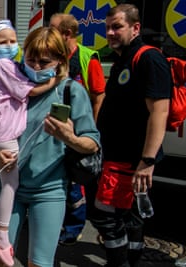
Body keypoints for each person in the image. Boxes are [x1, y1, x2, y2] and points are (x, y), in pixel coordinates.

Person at [0, 26, 100, 267]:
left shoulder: (70, 91)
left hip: (48, 190)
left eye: (44, 62)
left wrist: (70, 137)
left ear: (60, 60)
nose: (36, 66)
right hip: (6, 185)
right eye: (31, 59)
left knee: (39, 262)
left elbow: (92, 144)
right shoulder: (9, 80)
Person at [0, 20, 55, 266]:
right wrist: (55, 80)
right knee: (10, 182)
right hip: (4, 132)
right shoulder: (3, 65)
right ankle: (1, 234)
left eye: (12, 41)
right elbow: (29, 91)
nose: (9, 46)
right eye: (1, 42)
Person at [90, 4, 171, 267]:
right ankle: (132, 260)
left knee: (106, 216)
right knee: (129, 215)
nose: (110, 33)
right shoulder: (124, 58)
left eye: (117, 27)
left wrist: (147, 161)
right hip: (119, 156)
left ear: (135, 28)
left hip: (130, 158)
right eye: (108, 28)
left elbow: (159, 111)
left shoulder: (148, 58)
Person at [50, 13, 106, 245]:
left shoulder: (86, 57)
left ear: (67, 34)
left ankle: (73, 228)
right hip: (55, 130)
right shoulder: (54, 55)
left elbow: (98, 95)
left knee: (75, 185)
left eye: (53, 29)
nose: (48, 33)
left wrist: (87, 130)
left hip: (75, 132)